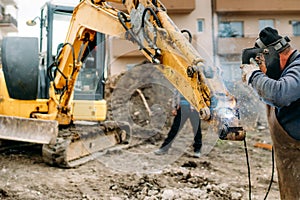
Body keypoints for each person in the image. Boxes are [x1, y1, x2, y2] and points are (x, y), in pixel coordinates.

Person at [240, 27, 300, 199]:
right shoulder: (287, 72)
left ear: (274, 55)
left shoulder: (298, 67)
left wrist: (254, 75)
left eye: (262, 63)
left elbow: (280, 94)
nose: (263, 69)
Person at [154, 90, 202, 158]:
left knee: (197, 129)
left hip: (194, 109)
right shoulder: (180, 82)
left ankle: (197, 150)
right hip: (182, 108)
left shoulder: (197, 83)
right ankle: (164, 148)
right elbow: (175, 95)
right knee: (175, 129)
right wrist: (174, 107)